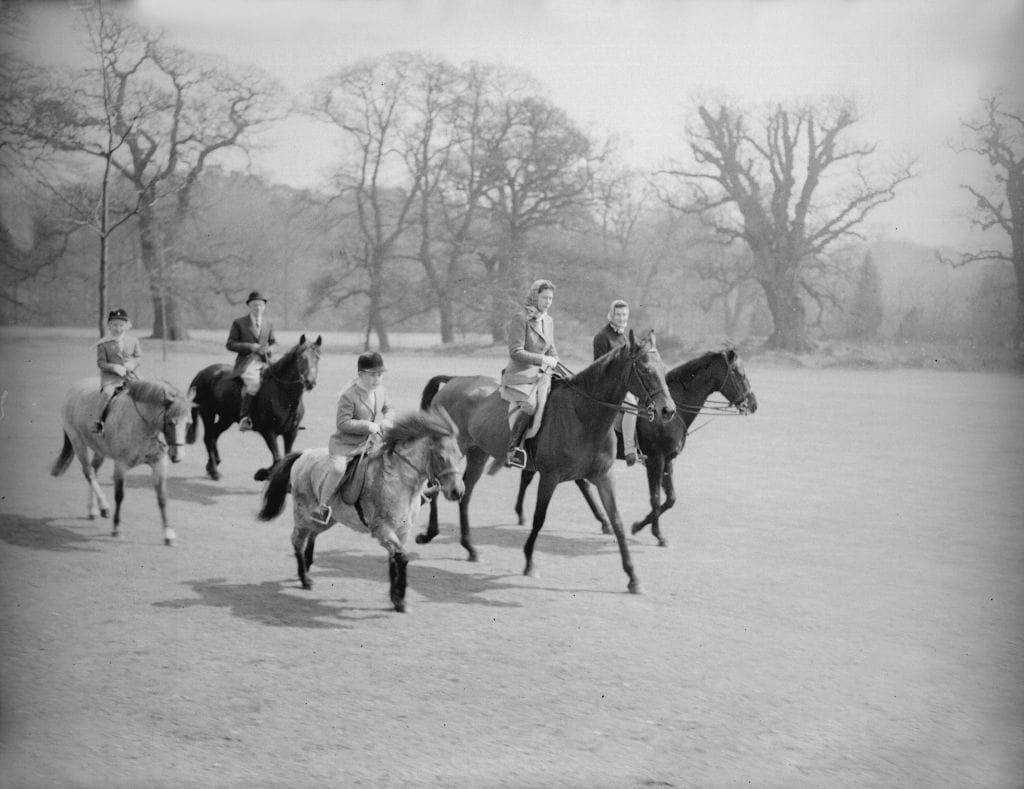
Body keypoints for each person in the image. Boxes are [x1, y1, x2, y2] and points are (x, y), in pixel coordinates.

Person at [312, 352, 394, 525]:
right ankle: (321, 507)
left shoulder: (380, 390)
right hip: (346, 445)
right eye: (372, 375)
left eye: (380, 375)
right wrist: (368, 426)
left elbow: (389, 408)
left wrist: (387, 420)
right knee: (338, 469)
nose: (377, 379)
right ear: (361, 374)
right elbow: (342, 423)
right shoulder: (349, 395)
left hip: (370, 442)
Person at [499, 279, 559, 468]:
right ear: (535, 297)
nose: (548, 302)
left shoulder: (548, 321)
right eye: (544, 298)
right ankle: (513, 449)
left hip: (542, 374)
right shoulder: (520, 318)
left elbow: (551, 349)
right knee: (531, 405)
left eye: (550, 298)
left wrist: (554, 359)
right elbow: (515, 352)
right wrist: (543, 360)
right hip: (520, 375)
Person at [593, 299, 644, 466]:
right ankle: (629, 451)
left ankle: (644, 449)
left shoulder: (626, 337)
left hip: (626, 387)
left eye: (624, 315)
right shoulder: (602, 337)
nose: (622, 318)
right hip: (608, 389)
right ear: (611, 315)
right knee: (632, 405)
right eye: (618, 315)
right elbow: (599, 369)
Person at [226, 291, 276, 432]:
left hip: (265, 361)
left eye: (261, 305)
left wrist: (270, 348)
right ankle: (245, 417)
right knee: (254, 383)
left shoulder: (268, 323)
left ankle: (282, 418)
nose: (258, 308)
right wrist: (250, 347)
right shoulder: (239, 323)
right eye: (255, 305)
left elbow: (274, 342)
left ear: (264, 307)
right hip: (247, 362)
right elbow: (230, 344)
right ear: (249, 306)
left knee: (280, 379)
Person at [92, 308, 143, 434]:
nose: (118, 328)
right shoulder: (103, 343)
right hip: (111, 378)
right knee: (107, 393)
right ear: (109, 325)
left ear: (127, 326)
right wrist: (114, 367)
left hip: (131, 375)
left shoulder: (133, 341)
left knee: (146, 391)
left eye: (121, 325)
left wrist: (132, 364)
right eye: (114, 325)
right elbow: (101, 363)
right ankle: (97, 421)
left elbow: (139, 358)